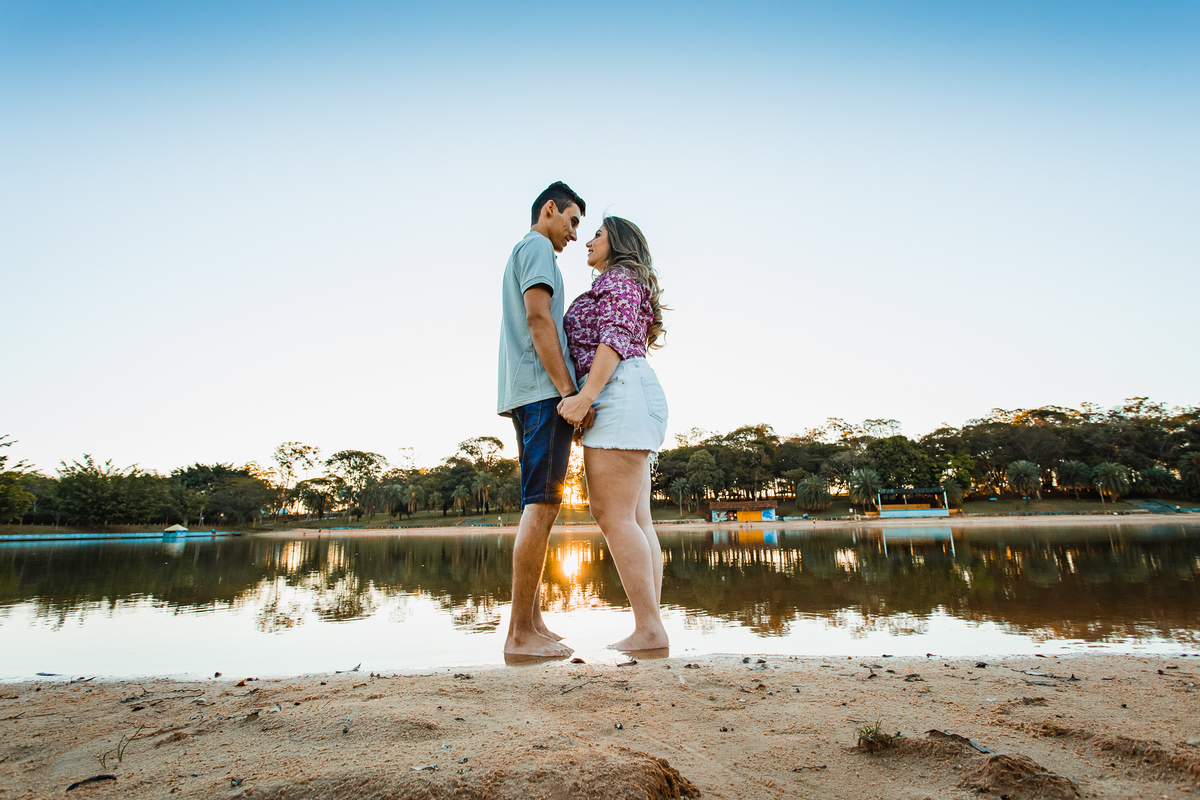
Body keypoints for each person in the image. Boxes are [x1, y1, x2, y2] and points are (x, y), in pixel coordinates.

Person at [557, 216, 669, 652]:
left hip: (619, 390)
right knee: (637, 518)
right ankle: (651, 626)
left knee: (613, 514)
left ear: (617, 242)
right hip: (631, 390)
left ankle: (649, 628)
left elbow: (615, 338)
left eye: (597, 234)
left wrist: (585, 396)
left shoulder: (620, 279)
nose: (588, 240)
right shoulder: (622, 281)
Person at [497, 181, 591, 657]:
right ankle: (519, 635)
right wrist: (569, 392)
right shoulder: (536, 246)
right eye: (573, 220)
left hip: (528, 392)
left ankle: (532, 621)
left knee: (541, 503)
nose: (576, 234)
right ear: (550, 209)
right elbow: (539, 320)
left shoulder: (532, 251)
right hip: (542, 394)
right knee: (543, 504)